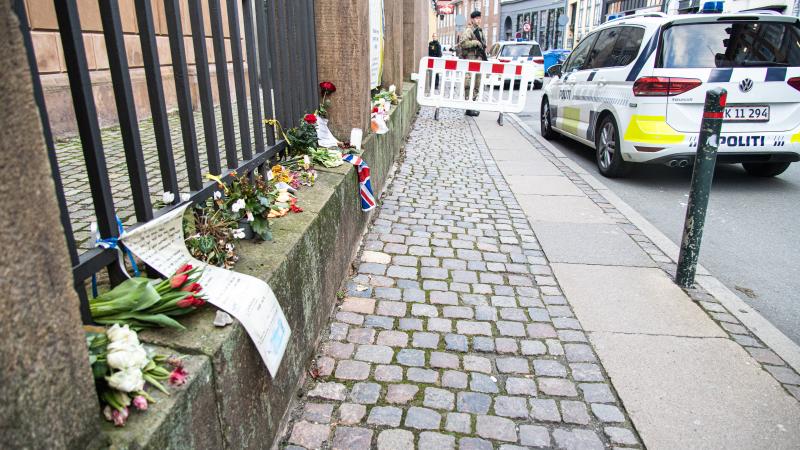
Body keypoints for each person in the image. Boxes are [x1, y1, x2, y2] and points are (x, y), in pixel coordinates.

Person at [458, 11, 487, 116]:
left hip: (479, 59)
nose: (478, 20)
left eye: (479, 18)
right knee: (469, 83)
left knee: (477, 84)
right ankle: (468, 107)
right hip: (470, 59)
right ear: (472, 19)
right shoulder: (469, 31)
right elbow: (463, 43)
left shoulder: (481, 31)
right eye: (476, 18)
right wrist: (475, 42)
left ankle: (472, 105)